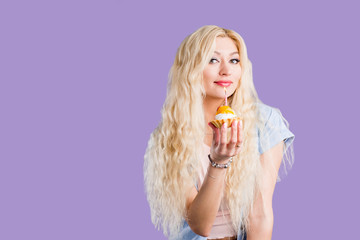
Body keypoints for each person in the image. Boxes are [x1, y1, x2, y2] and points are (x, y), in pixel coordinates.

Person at [144, 25, 295, 240]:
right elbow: (200, 226)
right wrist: (218, 162)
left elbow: (259, 215)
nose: (226, 70)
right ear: (190, 69)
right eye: (213, 60)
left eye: (234, 60)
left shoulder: (264, 123)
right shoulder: (169, 136)